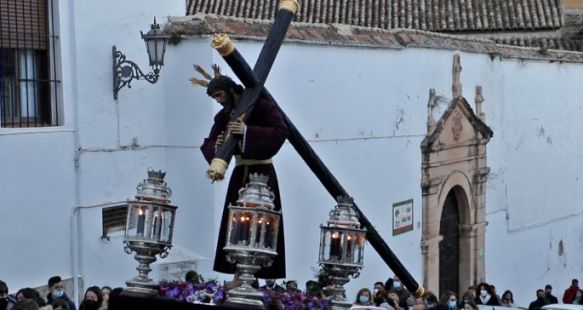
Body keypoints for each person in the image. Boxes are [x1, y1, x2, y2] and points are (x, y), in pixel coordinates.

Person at [195, 66, 289, 280]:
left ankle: (260, 270)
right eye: (215, 97)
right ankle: (238, 270)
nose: (218, 101)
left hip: (263, 173)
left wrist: (247, 132)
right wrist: (218, 147)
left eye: (219, 95)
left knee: (264, 221)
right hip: (239, 174)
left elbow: (281, 130)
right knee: (236, 223)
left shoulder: (262, 106)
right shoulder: (223, 116)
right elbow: (209, 142)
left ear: (229, 89)